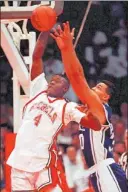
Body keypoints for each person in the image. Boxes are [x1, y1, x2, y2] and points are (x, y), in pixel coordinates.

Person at [7, 31, 101, 192]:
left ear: (65, 89)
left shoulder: (67, 107)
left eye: (57, 81)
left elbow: (95, 125)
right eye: (52, 79)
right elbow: (36, 57)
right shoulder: (39, 90)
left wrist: (91, 113)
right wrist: (44, 30)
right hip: (19, 163)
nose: (52, 81)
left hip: (43, 164)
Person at [51, 21, 128, 192]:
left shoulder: (100, 108)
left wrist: (67, 49)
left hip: (107, 171)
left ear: (106, 97)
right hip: (97, 172)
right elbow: (75, 75)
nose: (93, 89)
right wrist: (65, 50)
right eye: (95, 86)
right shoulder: (89, 110)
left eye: (99, 88)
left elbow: (78, 77)